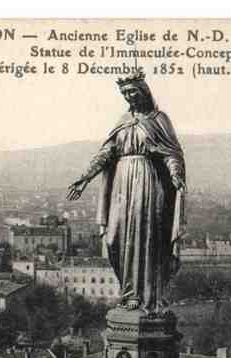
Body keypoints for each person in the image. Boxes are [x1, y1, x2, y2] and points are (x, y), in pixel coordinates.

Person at [67, 70, 185, 313]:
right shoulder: (123, 120)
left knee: (145, 237)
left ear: (143, 91)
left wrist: (175, 174)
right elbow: (106, 153)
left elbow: (172, 153)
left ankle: (144, 295)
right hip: (121, 184)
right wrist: (85, 178)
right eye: (125, 93)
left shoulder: (159, 119)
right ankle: (128, 289)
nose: (129, 97)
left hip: (148, 183)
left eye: (132, 91)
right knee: (115, 238)